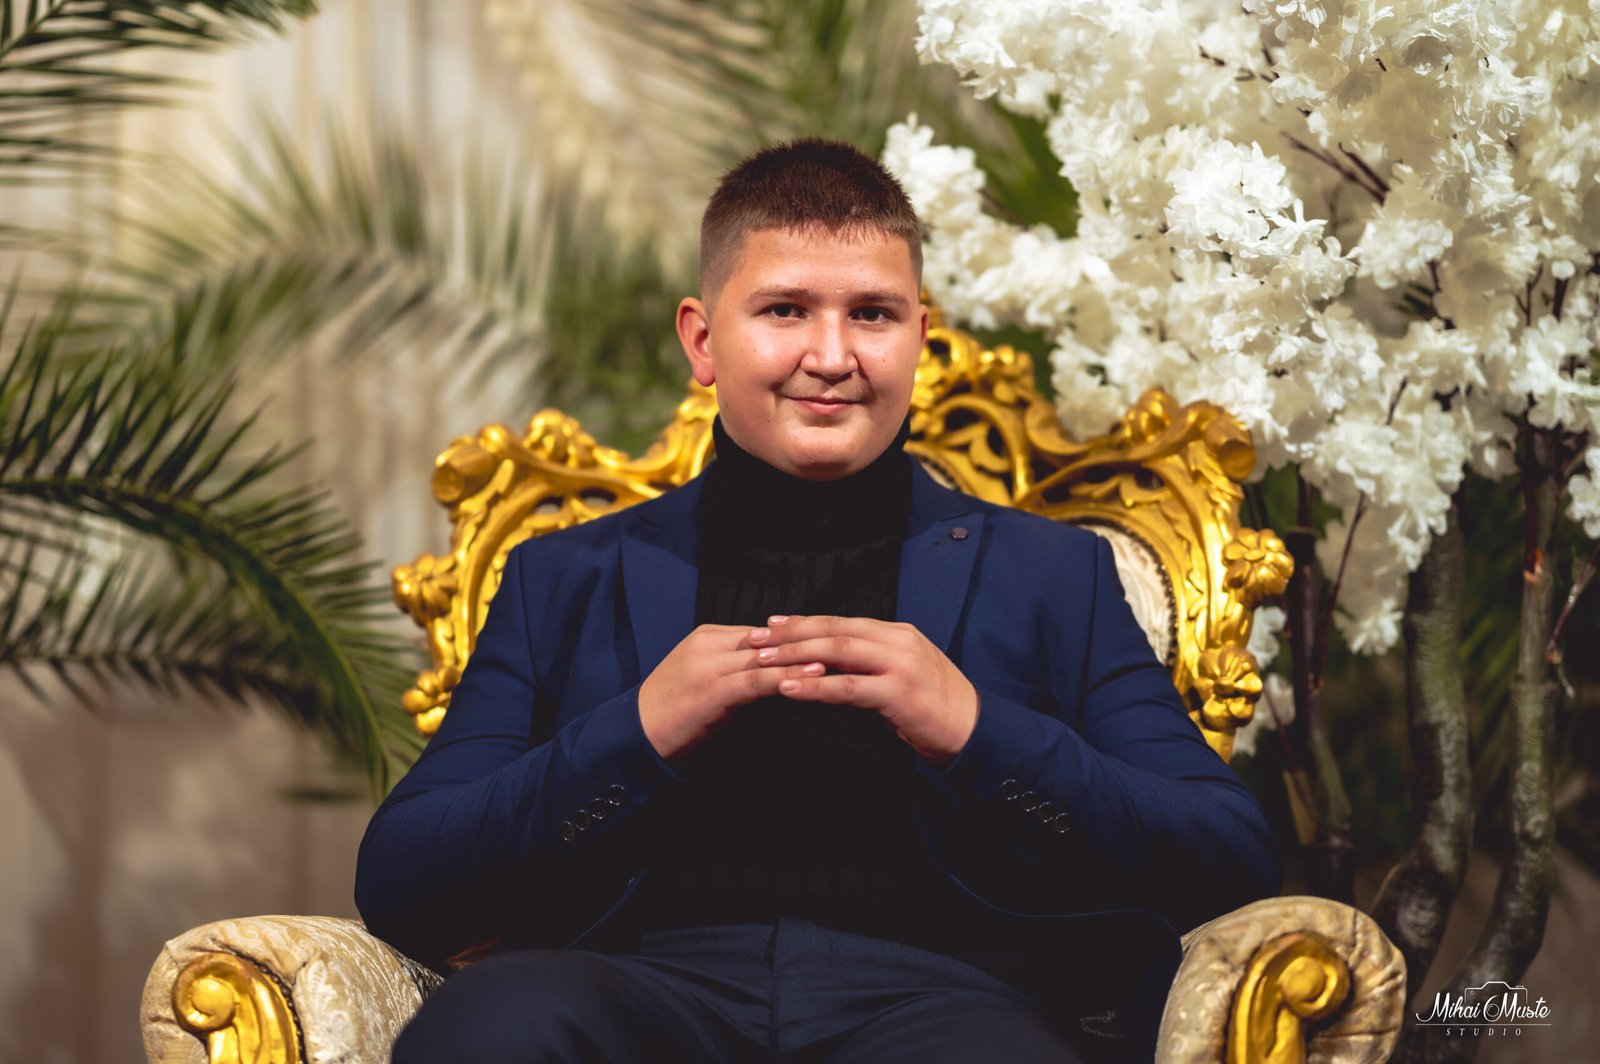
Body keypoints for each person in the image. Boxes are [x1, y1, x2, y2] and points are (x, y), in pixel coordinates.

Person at [356, 138, 1279, 1064]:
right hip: (634, 985)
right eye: (785, 310)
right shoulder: (561, 576)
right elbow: (402, 881)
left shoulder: (1055, 573)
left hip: (952, 998)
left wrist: (975, 731)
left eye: (872, 314)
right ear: (702, 340)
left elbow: (1227, 856)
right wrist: (635, 734)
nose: (832, 357)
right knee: (494, 1029)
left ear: (920, 337)